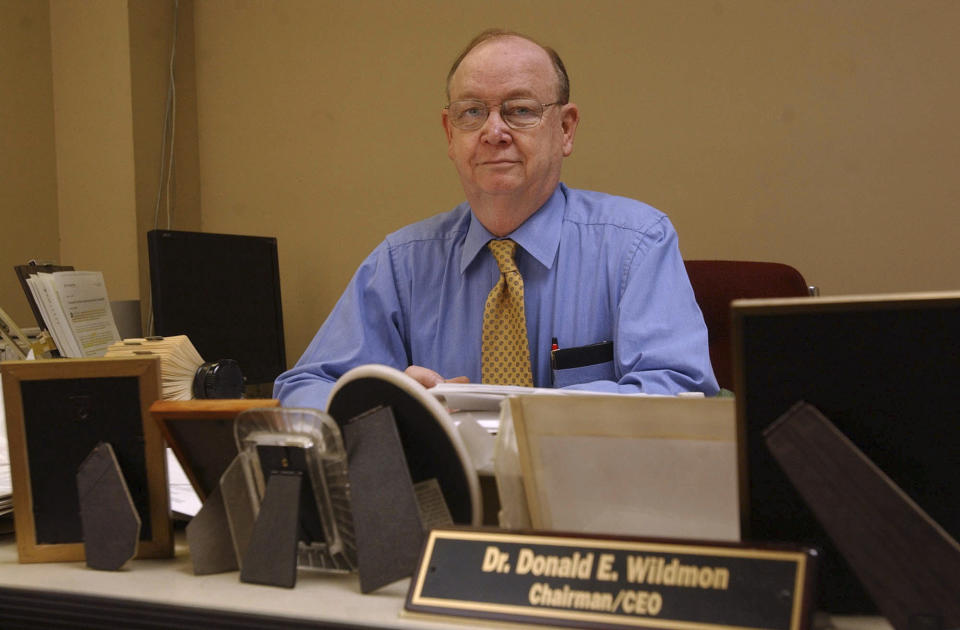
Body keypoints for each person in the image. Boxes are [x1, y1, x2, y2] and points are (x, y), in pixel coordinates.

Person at [274, 29, 718, 409]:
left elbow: (681, 392)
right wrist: (387, 403)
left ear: (565, 128)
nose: (493, 131)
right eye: (471, 112)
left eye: (520, 109)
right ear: (450, 135)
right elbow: (301, 390)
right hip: (446, 503)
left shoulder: (636, 245)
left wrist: (522, 415)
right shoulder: (401, 263)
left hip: (592, 501)